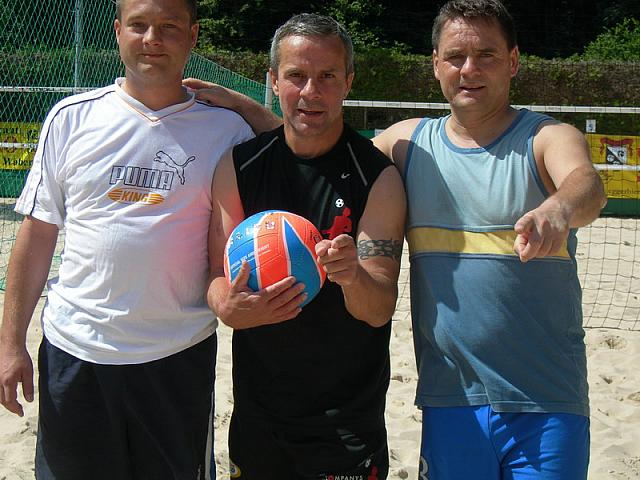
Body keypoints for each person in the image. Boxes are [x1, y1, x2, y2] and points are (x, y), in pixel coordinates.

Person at [0, 0, 256, 478]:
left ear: (193, 35)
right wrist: (10, 344)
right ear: (118, 31)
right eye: (139, 25)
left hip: (177, 356)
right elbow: (36, 235)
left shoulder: (229, 129)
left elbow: (299, 151)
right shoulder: (71, 118)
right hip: (75, 352)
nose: (152, 39)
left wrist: (246, 105)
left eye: (169, 27)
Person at [372, 1, 607, 479]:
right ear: (435, 64)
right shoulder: (406, 144)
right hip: (450, 399)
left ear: (513, 61)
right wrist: (246, 105)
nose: (469, 69)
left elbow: (587, 185)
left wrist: (557, 209)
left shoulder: (546, 137)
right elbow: (320, 154)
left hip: (547, 402)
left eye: (487, 55)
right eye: (455, 56)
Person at [203, 13, 406, 480]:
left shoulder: (376, 176)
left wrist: (352, 275)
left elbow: (379, 309)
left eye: (327, 76)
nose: (311, 92)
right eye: (296, 75)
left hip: (346, 424)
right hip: (259, 418)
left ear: (348, 82)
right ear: (274, 81)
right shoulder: (239, 166)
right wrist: (227, 306)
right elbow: (216, 274)